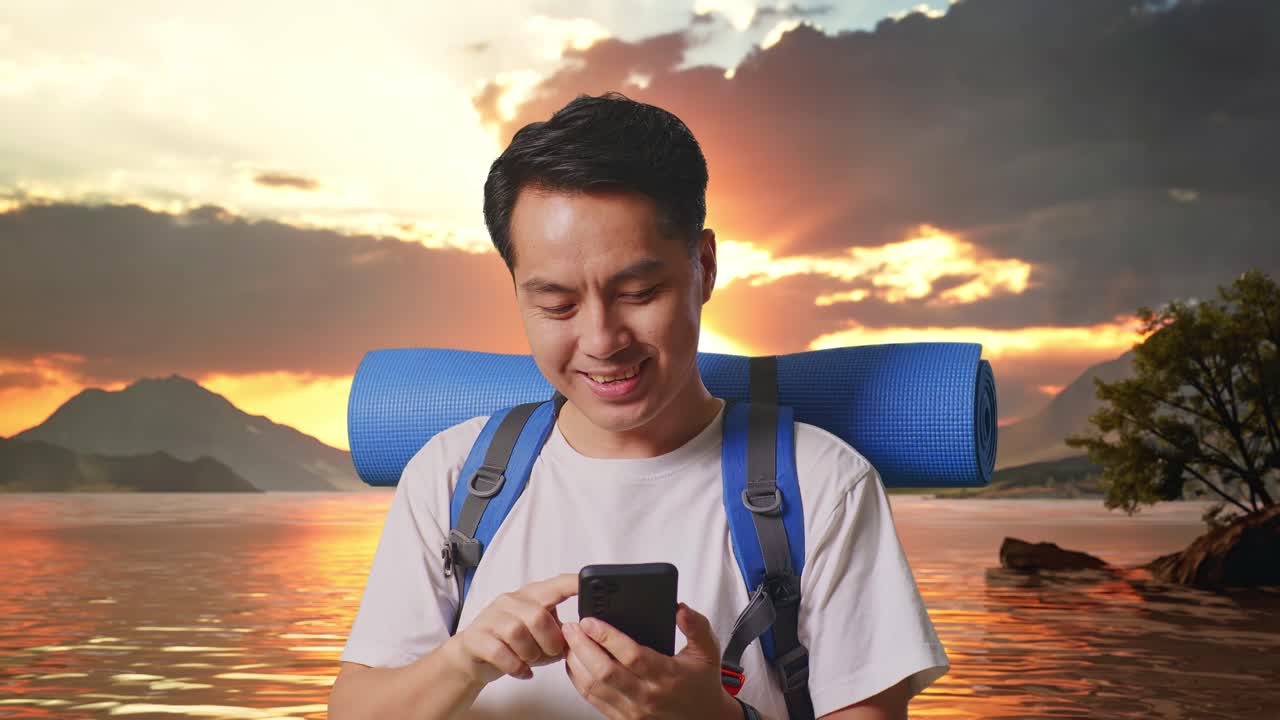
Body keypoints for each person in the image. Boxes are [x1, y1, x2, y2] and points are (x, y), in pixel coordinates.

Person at [329, 91, 949, 720]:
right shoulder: (453, 477)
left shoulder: (823, 486)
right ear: (516, 292)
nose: (602, 341)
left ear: (703, 267)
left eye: (639, 291)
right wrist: (463, 660)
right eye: (556, 304)